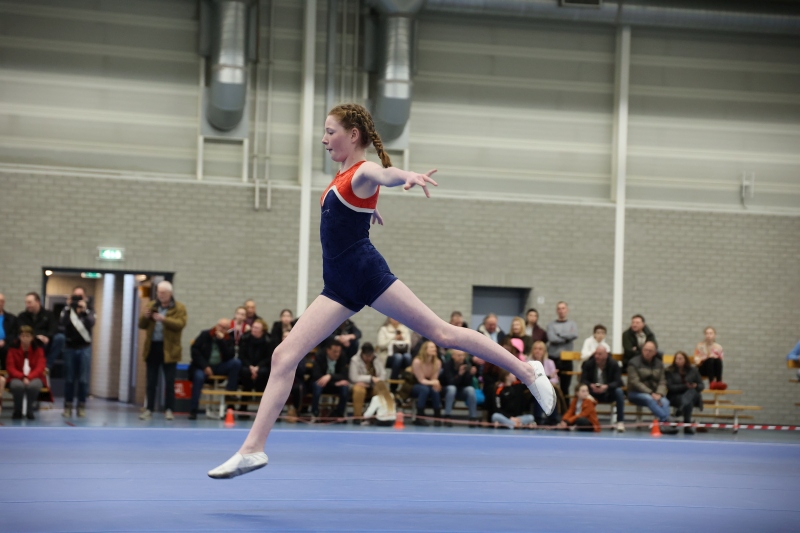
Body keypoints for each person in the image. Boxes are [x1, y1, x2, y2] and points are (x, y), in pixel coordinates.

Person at [208, 102, 554, 479]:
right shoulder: (343, 176)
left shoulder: (363, 170)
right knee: (283, 356)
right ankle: (252, 449)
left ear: (353, 135)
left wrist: (408, 176)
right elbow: (348, 209)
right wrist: (365, 210)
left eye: (330, 132)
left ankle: (528, 371)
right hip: (338, 286)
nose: (324, 139)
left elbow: (384, 174)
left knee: (441, 333)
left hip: (366, 275)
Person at [138, 281, 187, 421]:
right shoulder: (151, 305)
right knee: (151, 382)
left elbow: (180, 324)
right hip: (153, 348)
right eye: (159, 292)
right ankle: (149, 409)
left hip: (170, 350)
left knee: (169, 382)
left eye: (164, 293)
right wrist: (145, 316)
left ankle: (169, 409)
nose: (161, 295)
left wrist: (164, 319)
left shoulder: (179, 308)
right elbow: (141, 325)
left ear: (170, 293)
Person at [188, 318, 240, 420]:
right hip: (203, 367)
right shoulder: (205, 334)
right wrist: (205, 366)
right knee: (198, 377)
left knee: (236, 363)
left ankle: (230, 392)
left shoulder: (228, 339)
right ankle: (193, 410)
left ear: (227, 330)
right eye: (219, 326)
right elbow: (195, 351)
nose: (220, 329)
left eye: (224, 328)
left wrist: (221, 341)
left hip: (219, 366)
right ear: (216, 325)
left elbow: (230, 355)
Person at [58, 286, 95, 418]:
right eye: (76, 296)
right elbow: (62, 323)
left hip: (84, 348)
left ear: (85, 297)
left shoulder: (90, 310)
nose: (78, 299)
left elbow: (91, 323)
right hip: (70, 348)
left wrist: (84, 311)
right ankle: (68, 406)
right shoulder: (67, 310)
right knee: (69, 379)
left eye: (80, 296)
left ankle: (81, 406)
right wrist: (69, 307)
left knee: (83, 379)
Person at [627, 341, 678, 434]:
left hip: (655, 393)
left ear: (655, 352)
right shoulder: (633, 363)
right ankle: (666, 420)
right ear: (642, 350)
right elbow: (635, 382)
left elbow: (662, 381)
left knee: (665, 401)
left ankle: (664, 426)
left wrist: (659, 393)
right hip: (635, 393)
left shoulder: (659, 364)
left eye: (650, 351)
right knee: (649, 399)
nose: (647, 352)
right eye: (645, 350)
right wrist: (650, 393)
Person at [580, 345, 625, 432]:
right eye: (596, 354)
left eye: (600, 354)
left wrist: (606, 387)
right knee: (581, 391)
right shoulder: (588, 364)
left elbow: (618, 382)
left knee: (619, 392)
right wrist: (591, 385)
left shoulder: (614, 364)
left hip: (608, 393)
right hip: (592, 393)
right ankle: (580, 419)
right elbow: (583, 380)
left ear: (606, 355)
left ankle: (620, 422)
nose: (597, 356)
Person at [6, 326, 46, 420]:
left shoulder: (38, 349)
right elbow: (10, 367)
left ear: (32, 337)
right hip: (16, 377)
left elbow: (40, 367)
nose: (25, 338)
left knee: (34, 386)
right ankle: (17, 410)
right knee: (17, 386)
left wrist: (29, 377)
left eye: (28, 336)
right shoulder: (12, 349)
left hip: (35, 377)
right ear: (19, 337)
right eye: (23, 336)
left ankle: (29, 409)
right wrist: (22, 377)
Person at [238, 319, 273, 419]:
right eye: (253, 327)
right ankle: (243, 407)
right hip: (247, 365)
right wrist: (250, 366)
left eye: (257, 328)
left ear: (262, 330)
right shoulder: (245, 338)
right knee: (245, 372)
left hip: (262, 366)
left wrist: (258, 367)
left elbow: (269, 357)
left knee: (264, 372)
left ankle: (262, 406)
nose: (254, 329)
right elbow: (241, 355)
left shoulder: (268, 340)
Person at [17, 292, 61, 370]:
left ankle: (47, 366)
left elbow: (53, 328)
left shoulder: (49, 314)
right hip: (30, 342)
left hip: (46, 342)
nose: (27, 305)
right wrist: (36, 336)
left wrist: (47, 337)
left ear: (37, 302)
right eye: (26, 303)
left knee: (60, 338)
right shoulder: (22, 316)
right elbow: (22, 330)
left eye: (29, 302)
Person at [310, 340, 350, 422]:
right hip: (322, 383)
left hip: (334, 383)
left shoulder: (342, 357)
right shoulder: (319, 356)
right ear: (328, 350)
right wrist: (334, 382)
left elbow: (343, 375)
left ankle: (339, 414)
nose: (337, 354)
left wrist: (330, 376)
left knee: (345, 388)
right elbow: (316, 375)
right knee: (317, 387)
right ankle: (315, 413)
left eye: (339, 352)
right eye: (334, 352)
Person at [666, 351, 704, 434]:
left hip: (693, 395)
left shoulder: (693, 370)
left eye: (680, 359)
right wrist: (685, 386)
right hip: (675, 396)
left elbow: (701, 386)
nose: (678, 360)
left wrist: (695, 385)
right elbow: (670, 387)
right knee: (689, 400)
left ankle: (681, 408)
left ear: (685, 360)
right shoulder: (669, 371)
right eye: (676, 359)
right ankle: (687, 426)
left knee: (692, 391)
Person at [546, 301, 579, 396]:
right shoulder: (551, 325)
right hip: (553, 358)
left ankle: (565, 406)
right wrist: (567, 338)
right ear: (556, 311)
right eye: (559, 308)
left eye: (563, 308)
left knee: (565, 388)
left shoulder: (572, 324)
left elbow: (574, 334)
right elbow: (552, 338)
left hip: (567, 360)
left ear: (567, 310)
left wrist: (559, 334)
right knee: (552, 387)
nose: (561, 310)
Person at [349, 342, 386, 423]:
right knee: (359, 391)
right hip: (359, 385)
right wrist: (370, 378)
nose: (369, 358)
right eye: (367, 356)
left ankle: (377, 417)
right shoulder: (354, 360)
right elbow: (353, 377)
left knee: (380, 390)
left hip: (373, 385)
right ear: (362, 354)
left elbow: (383, 374)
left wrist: (377, 381)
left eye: (371, 356)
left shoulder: (377, 359)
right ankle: (357, 417)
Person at [410, 340, 443, 426]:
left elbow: (434, 379)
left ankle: (437, 417)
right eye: (431, 347)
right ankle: (420, 417)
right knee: (424, 389)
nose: (434, 349)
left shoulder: (437, 362)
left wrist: (435, 382)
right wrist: (435, 382)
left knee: (434, 390)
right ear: (425, 349)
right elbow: (421, 380)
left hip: (428, 384)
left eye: (435, 347)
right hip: (415, 385)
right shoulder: (417, 361)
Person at [442, 349, 479, 426]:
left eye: (463, 355)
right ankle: (447, 416)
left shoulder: (466, 365)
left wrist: (471, 374)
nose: (461, 357)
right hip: (447, 390)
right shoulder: (447, 365)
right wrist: (459, 374)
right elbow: (450, 382)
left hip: (461, 390)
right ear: (453, 356)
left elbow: (467, 383)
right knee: (452, 388)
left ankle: (473, 417)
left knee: (470, 389)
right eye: (459, 355)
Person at [529, 340, 562, 426]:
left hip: (547, 388)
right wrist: (547, 378)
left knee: (549, 390)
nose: (537, 351)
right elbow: (530, 377)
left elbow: (555, 379)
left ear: (544, 351)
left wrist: (546, 383)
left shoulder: (550, 362)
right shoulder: (528, 362)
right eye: (535, 349)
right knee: (539, 390)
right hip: (531, 388)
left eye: (540, 349)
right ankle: (539, 418)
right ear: (532, 351)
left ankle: (553, 418)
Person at [0, 292, 19, 370]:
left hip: (6, 345)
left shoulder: (11, 318)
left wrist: (4, 341)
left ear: (4, 303)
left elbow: (14, 333)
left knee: (8, 350)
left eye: (1, 301)